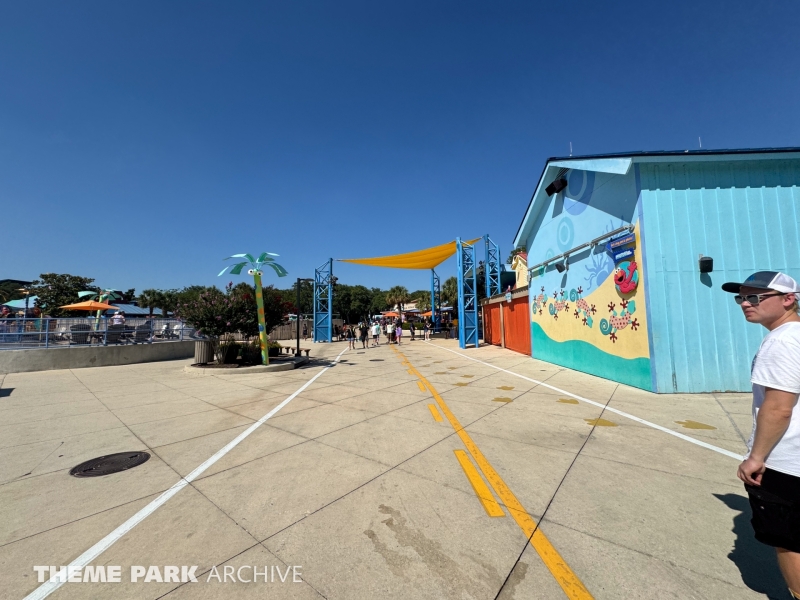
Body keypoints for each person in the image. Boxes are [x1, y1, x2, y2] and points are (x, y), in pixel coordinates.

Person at [723, 271, 800, 598]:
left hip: (786, 463)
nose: (745, 303)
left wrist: (756, 457)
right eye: (741, 297)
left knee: (790, 542)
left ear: (788, 299)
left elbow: (778, 407)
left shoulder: (781, 341)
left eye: (755, 297)